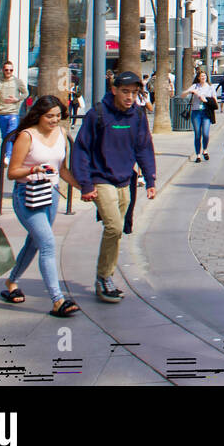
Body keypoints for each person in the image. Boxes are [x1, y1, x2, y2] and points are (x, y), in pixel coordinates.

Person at [73, 71, 157, 304]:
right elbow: (81, 149)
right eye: (125, 92)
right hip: (101, 179)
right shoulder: (97, 114)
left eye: (134, 92)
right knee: (114, 227)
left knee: (118, 230)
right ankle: (103, 278)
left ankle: (107, 275)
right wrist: (85, 184)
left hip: (125, 180)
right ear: (114, 90)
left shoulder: (138, 115)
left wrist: (150, 180)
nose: (130, 97)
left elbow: (144, 148)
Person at [0, 96, 80, 317]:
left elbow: (62, 169)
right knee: (47, 243)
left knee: (35, 242)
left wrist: (82, 187)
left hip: (51, 194)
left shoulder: (61, 134)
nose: (55, 120)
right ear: (39, 115)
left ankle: (11, 282)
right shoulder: (27, 136)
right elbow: (12, 172)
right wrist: (32, 170)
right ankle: (57, 300)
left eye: (58, 116)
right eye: (50, 116)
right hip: (27, 194)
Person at [0, 60, 28, 166]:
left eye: (11, 70)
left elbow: (26, 93)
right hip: (1, 113)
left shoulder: (17, 81)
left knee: (10, 134)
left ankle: (8, 156)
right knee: (5, 137)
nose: (8, 72)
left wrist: (17, 99)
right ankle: (6, 155)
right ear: (3, 70)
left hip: (13, 113)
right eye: (6, 70)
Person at [180, 70, 218, 163]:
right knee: (197, 134)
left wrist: (205, 100)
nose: (203, 77)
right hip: (196, 112)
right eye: (201, 76)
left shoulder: (210, 87)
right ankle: (198, 155)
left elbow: (215, 101)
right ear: (198, 78)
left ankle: (205, 149)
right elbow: (182, 95)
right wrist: (190, 91)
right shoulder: (195, 86)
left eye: (204, 76)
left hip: (206, 112)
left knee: (205, 133)